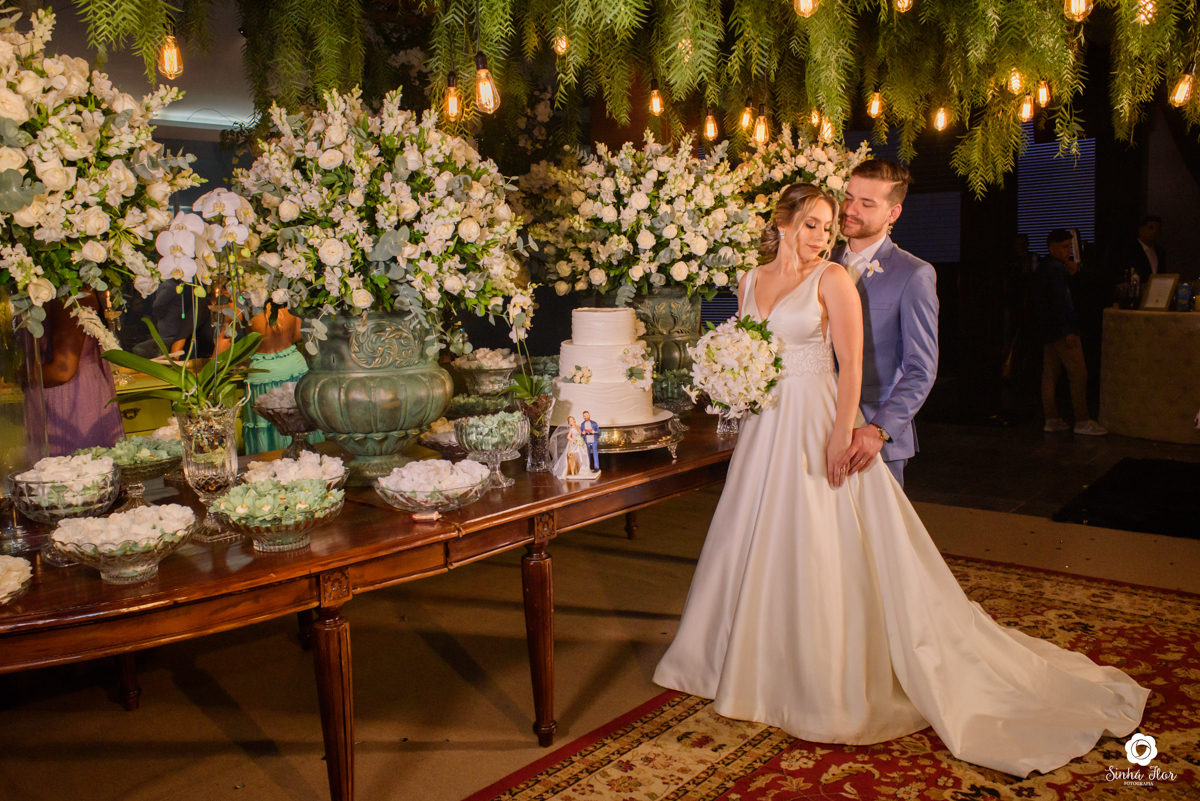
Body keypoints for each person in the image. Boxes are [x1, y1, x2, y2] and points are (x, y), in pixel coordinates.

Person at [652, 183, 1148, 778]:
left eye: (828, 226)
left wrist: (841, 434)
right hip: (766, 427)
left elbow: (851, 365)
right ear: (782, 223)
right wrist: (734, 382)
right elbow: (746, 347)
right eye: (811, 224)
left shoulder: (833, 279)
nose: (822, 236)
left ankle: (819, 679)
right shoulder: (749, 280)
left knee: (819, 539)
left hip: (816, 419)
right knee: (754, 532)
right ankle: (738, 661)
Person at [830, 159, 938, 487]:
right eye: (849, 197)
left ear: (893, 213)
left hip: (870, 440)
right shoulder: (820, 261)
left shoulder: (913, 274)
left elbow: (921, 369)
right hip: (814, 425)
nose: (850, 210)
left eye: (866, 203)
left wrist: (879, 429)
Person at [25, 293, 124, 456]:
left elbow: (62, 370)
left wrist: (14, 376)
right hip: (55, 392)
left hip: (68, 397)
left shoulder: (69, 294)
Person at [1036, 229, 1107, 436]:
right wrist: (1069, 330)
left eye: (1069, 246)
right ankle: (1082, 420)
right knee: (1079, 374)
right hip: (1062, 330)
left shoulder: (1043, 267)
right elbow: (1063, 302)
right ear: (1052, 248)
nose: (1068, 251)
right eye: (1064, 247)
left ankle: (1051, 419)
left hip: (1048, 329)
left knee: (1050, 375)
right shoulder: (1058, 269)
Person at [239, 304, 323, 455]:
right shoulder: (288, 299)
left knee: (266, 426)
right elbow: (297, 334)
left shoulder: (245, 302)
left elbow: (226, 339)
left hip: (263, 373)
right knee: (303, 424)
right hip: (295, 369)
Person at [1125, 215, 1165, 285]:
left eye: (1157, 229)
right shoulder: (1130, 250)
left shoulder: (1160, 252)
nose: (1155, 232)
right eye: (1151, 228)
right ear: (1140, 230)